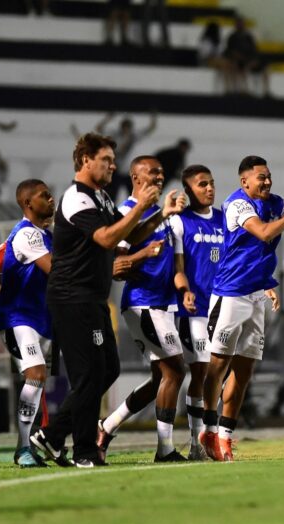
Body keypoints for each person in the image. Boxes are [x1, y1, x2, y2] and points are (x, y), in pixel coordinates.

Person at [29, 132, 185, 468]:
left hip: (92, 298)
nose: (113, 166)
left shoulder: (100, 198)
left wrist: (160, 214)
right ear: (85, 160)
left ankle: (53, 436)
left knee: (108, 369)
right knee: (88, 375)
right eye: (107, 160)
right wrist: (142, 205)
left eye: (114, 161)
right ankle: (83, 449)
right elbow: (105, 238)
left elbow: (128, 233)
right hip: (72, 296)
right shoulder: (76, 197)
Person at [200, 155, 284, 462]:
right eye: (261, 177)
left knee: (244, 371)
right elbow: (265, 233)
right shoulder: (237, 204)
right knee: (217, 366)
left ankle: (225, 437)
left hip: (256, 296)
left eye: (269, 176)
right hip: (230, 295)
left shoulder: (275, 203)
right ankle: (208, 429)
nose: (267, 181)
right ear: (245, 182)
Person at [97, 156, 188, 463]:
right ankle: (165, 450)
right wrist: (144, 254)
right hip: (142, 303)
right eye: (153, 174)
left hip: (164, 305)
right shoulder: (125, 212)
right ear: (136, 178)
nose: (160, 178)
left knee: (159, 380)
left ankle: (106, 427)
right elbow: (116, 267)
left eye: (162, 174)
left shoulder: (165, 215)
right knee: (176, 370)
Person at [0, 179, 56, 466]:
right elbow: (56, 272)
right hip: (19, 317)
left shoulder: (46, 235)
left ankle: (28, 445)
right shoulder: (27, 235)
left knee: (39, 382)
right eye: (45, 195)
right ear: (28, 203)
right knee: (36, 374)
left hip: (41, 318)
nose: (52, 198)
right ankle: (22, 450)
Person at [172, 164, 224, 459]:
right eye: (202, 184)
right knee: (202, 373)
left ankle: (210, 437)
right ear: (189, 189)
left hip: (222, 310)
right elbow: (178, 267)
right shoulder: (181, 223)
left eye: (211, 183)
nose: (209, 189)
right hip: (192, 311)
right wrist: (184, 291)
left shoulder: (224, 220)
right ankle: (197, 443)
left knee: (216, 375)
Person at [88, 110, 157, 204]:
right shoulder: (115, 135)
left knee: (136, 197)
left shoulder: (133, 136)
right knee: (111, 196)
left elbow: (150, 128)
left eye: (128, 127)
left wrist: (153, 116)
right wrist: (108, 118)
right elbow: (99, 128)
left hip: (129, 172)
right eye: (125, 127)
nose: (126, 130)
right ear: (122, 127)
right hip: (116, 170)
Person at [223, 17, 269, 97]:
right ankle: (240, 90)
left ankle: (266, 91)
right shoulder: (232, 37)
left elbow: (254, 50)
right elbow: (229, 51)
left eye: (242, 24)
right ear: (235, 25)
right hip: (237, 60)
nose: (240, 25)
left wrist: (252, 59)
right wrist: (237, 57)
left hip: (249, 59)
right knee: (235, 66)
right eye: (238, 24)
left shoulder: (249, 37)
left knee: (266, 67)